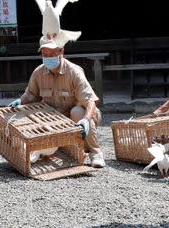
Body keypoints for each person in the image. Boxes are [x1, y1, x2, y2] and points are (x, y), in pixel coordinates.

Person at [9, 37, 105, 168]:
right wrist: (20, 101)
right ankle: (46, 150)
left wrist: (87, 119)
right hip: (54, 119)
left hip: (77, 116)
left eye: (52, 54)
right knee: (35, 113)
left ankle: (95, 153)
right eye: (45, 55)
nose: (48, 58)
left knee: (77, 112)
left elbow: (90, 100)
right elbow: (31, 95)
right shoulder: (38, 73)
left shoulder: (74, 72)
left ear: (61, 52)